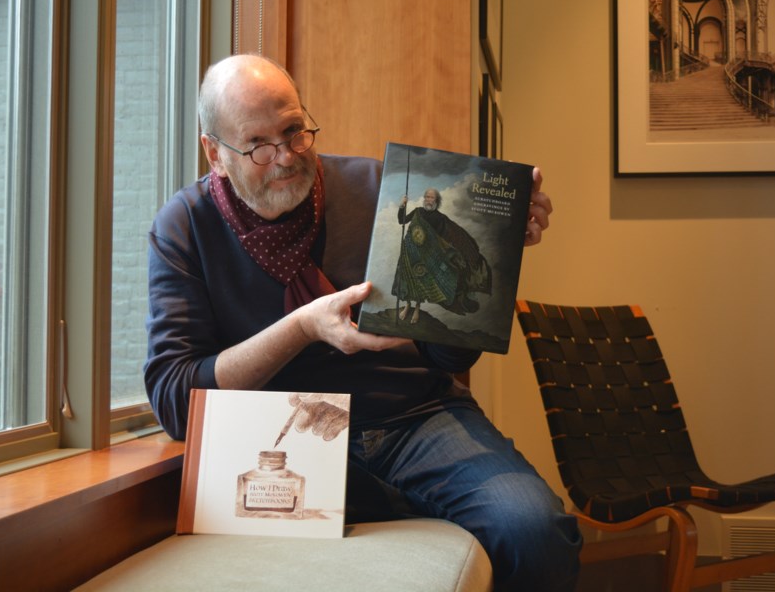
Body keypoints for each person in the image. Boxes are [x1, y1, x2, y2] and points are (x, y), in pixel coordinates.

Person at [144, 53, 582, 591]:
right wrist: (302, 326)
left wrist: (491, 260)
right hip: (283, 440)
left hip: (413, 418)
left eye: (294, 130)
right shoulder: (185, 226)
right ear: (215, 152)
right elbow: (174, 401)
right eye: (258, 144)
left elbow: (445, 358)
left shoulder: (381, 189)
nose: (284, 156)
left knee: (535, 529)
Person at [394, 187, 492, 324]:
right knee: (406, 277)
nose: (428, 200)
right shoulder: (418, 211)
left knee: (421, 280)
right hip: (410, 250)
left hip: (427, 254)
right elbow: (401, 221)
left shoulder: (440, 218)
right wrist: (402, 205)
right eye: (427, 197)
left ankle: (416, 307)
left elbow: (443, 239)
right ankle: (408, 305)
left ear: (437, 201)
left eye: (432, 198)